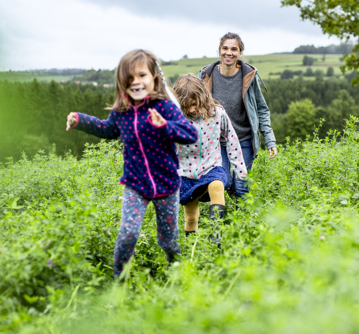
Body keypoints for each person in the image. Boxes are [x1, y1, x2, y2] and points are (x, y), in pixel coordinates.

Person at [66, 49, 198, 277]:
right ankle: (119, 280)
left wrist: (165, 125)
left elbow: (190, 134)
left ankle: (176, 274)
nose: (136, 82)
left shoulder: (164, 108)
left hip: (167, 185)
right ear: (122, 83)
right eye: (130, 79)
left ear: (154, 78)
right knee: (128, 233)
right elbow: (106, 130)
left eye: (142, 76)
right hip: (135, 185)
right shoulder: (121, 112)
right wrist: (80, 119)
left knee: (168, 241)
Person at [198, 32, 277, 200]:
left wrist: (269, 139)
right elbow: (194, 107)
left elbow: (262, 109)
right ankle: (222, 211)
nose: (229, 52)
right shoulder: (206, 76)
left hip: (244, 140)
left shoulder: (249, 76)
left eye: (234, 49)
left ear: (240, 53)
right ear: (219, 51)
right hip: (218, 141)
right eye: (225, 48)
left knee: (242, 188)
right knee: (223, 182)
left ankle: (240, 222)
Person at [173, 74, 247, 243]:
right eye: (186, 106)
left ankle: (216, 236)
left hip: (211, 166)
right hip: (185, 172)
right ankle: (191, 246)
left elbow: (232, 140)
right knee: (191, 216)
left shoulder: (217, 114)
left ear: (202, 96)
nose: (191, 110)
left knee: (217, 185)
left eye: (194, 104)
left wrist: (240, 170)